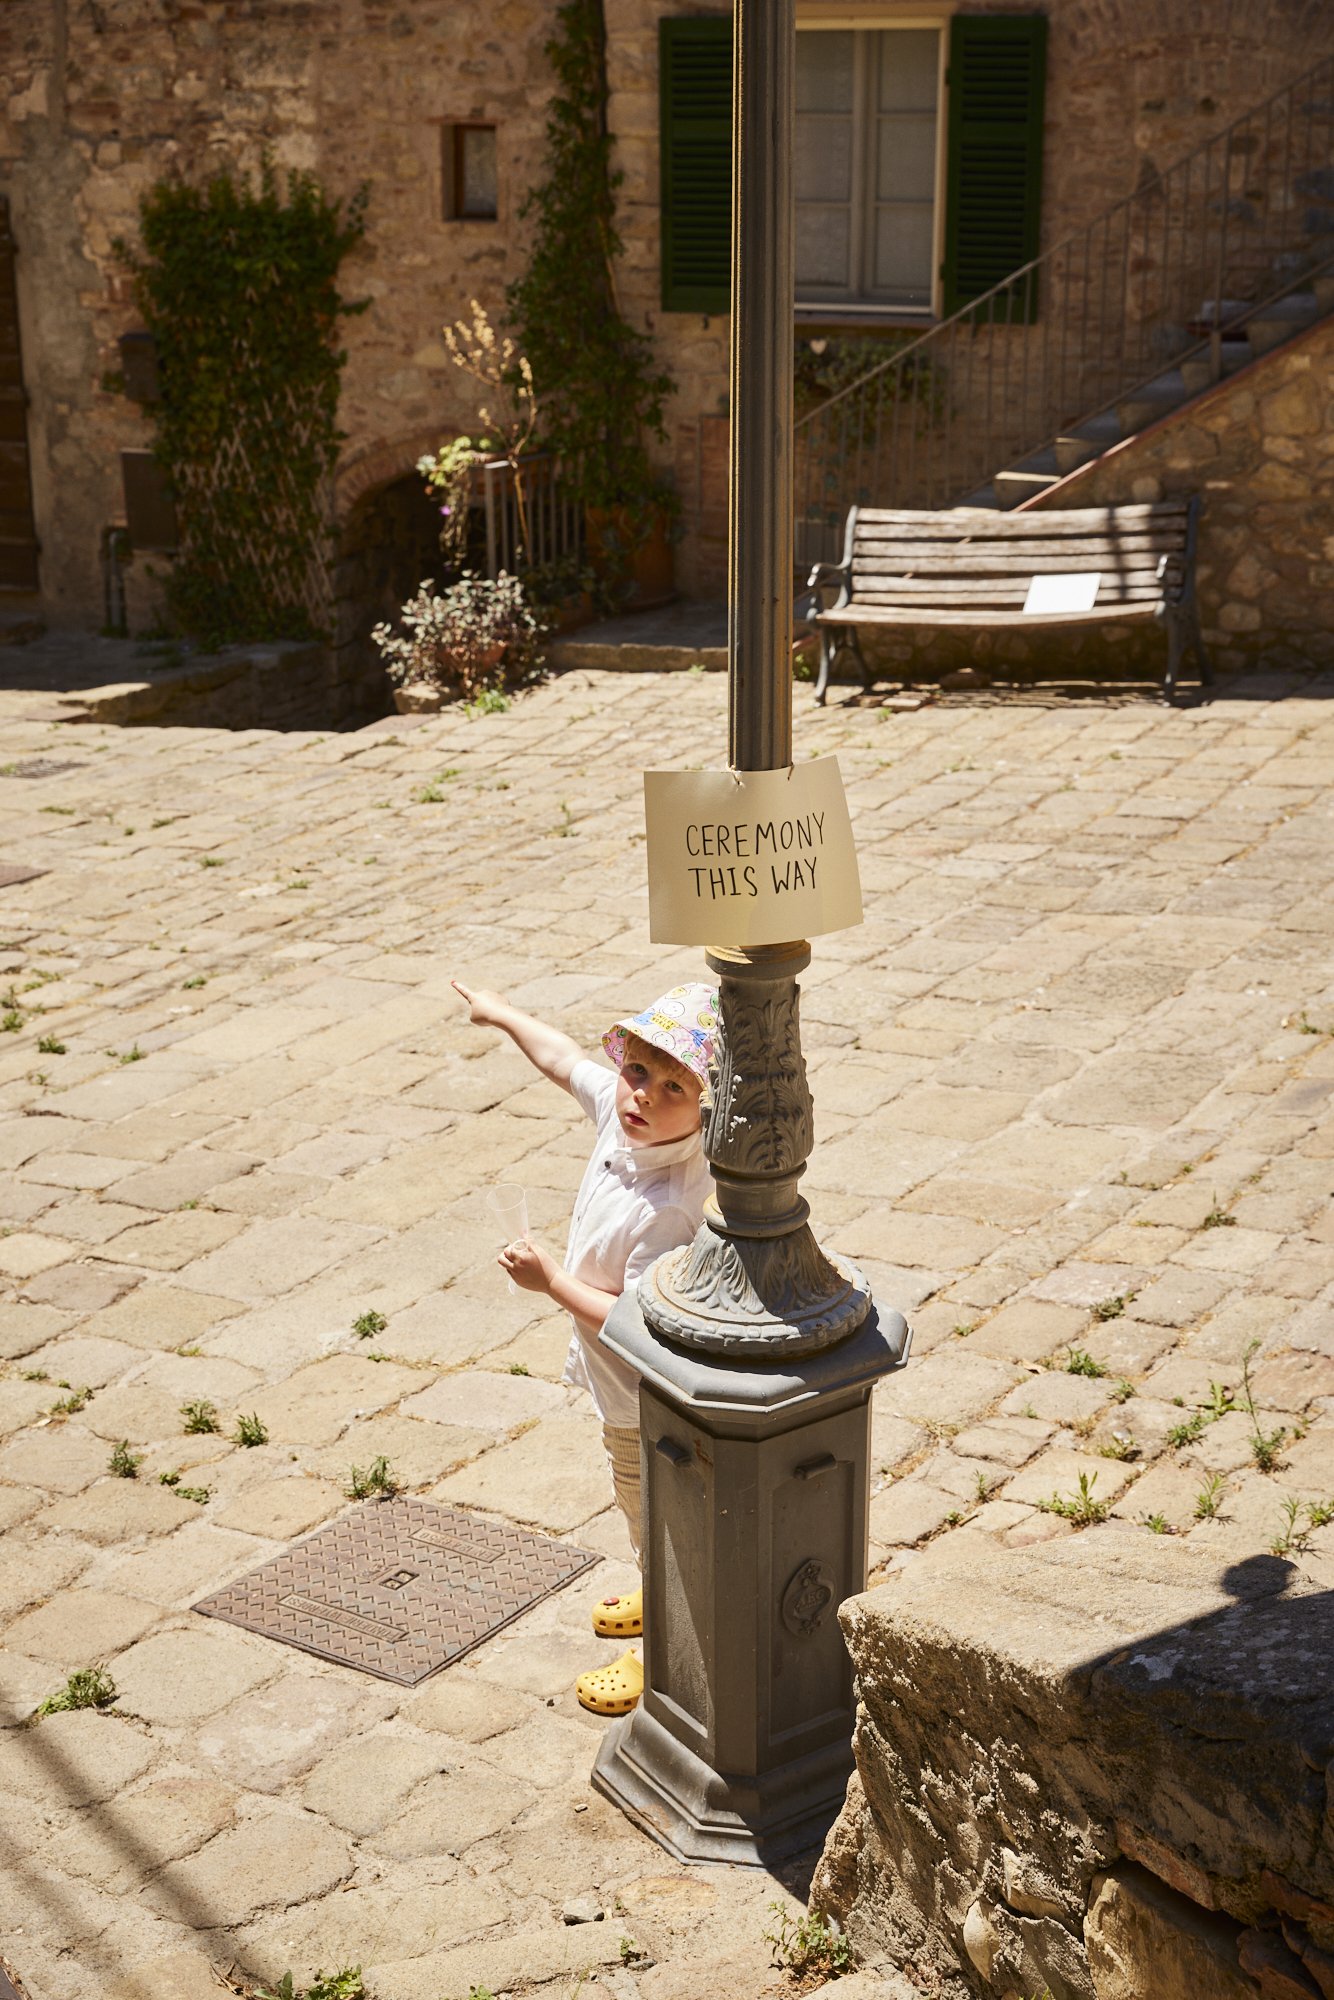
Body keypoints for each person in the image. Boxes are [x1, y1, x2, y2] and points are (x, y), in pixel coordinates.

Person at [450, 977, 717, 1715]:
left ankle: (665, 1647)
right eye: (638, 1071)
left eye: (673, 1087)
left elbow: (635, 1326)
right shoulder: (623, 1121)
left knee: (657, 1518)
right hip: (619, 1396)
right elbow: (563, 1059)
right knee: (641, 1514)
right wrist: (501, 1013)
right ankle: (652, 1582)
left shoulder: (668, 1207)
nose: (642, 1096)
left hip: (647, 1403)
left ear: (707, 1107)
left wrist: (551, 1281)